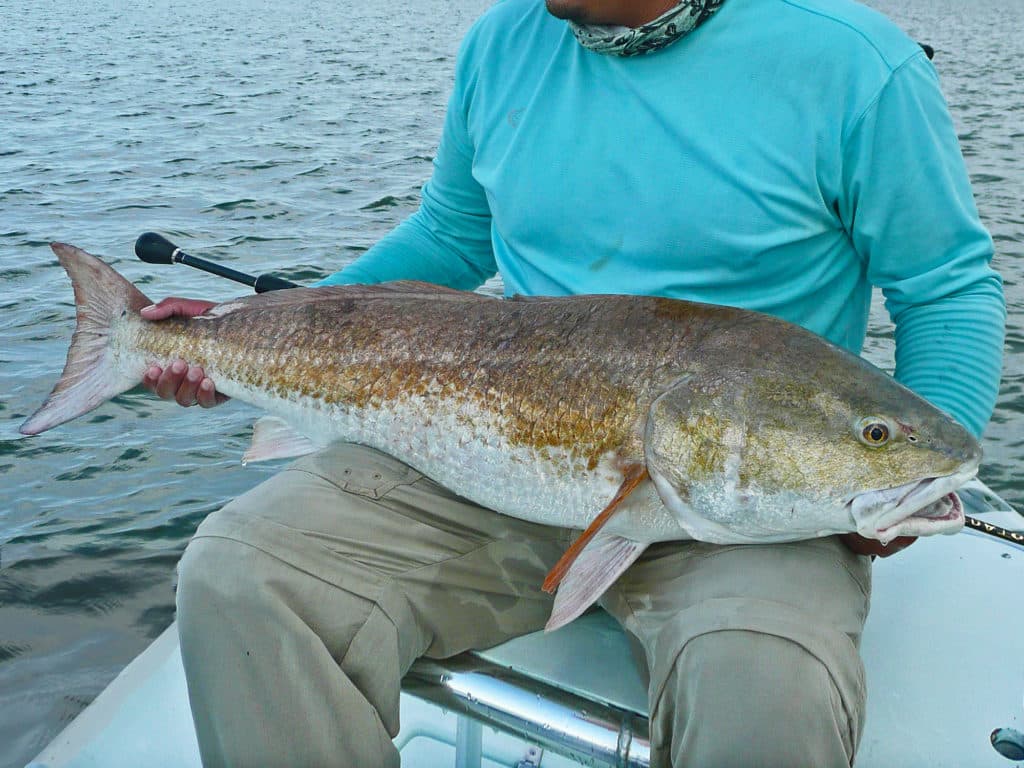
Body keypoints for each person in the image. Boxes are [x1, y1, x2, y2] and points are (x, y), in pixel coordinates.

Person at [142, 0, 1006, 765]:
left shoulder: (854, 63)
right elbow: (450, 233)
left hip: (753, 496)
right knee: (244, 573)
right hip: (498, 455)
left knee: (765, 688)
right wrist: (264, 328)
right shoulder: (502, 40)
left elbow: (945, 286)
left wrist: (895, 476)